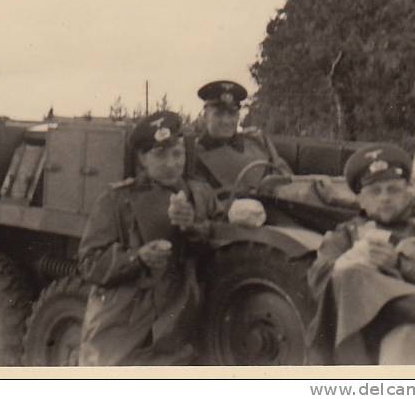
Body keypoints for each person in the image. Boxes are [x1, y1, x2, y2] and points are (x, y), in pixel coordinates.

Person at [77, 111, 219, 366]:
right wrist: (137, 257)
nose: (171, 163)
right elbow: (89, 262)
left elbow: (220, 240)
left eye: (177, 154)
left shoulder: (201, 195)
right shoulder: (117, 201)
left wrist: (193, 226)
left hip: (182, 327)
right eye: (160, 154)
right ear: (142, 158)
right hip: (128, 327)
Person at [307, 144, 415, 365]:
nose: (385, 198)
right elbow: (319, 280)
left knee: (409, 333)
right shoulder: (344, 235)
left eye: (393, 189)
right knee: (349, 271)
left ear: (409, 192)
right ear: (361, 199)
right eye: (375, 191)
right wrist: (360, 257)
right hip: (362, 335)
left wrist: (401, 264)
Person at [193, 80, 291, 197]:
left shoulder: (257, 141)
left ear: (238, 116)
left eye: (232, 114)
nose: (226, 121)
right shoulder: (193, 154)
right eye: (218, 114)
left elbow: (287, 178)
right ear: (205, 117)